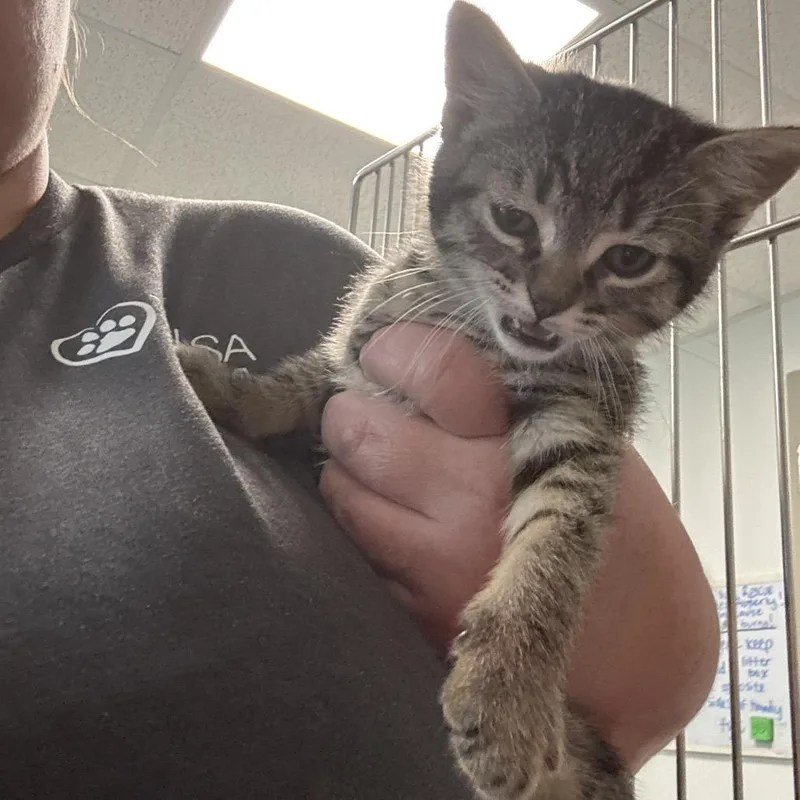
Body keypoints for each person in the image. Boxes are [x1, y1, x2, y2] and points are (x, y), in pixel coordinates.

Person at [0, 2, 719, 797]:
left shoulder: (272, 259)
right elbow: (334, 376)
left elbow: (363, 381)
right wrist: (263, 399)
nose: (550, 294)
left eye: (624, 258)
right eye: (516, 219)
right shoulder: (406, 285)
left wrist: (654, 654)